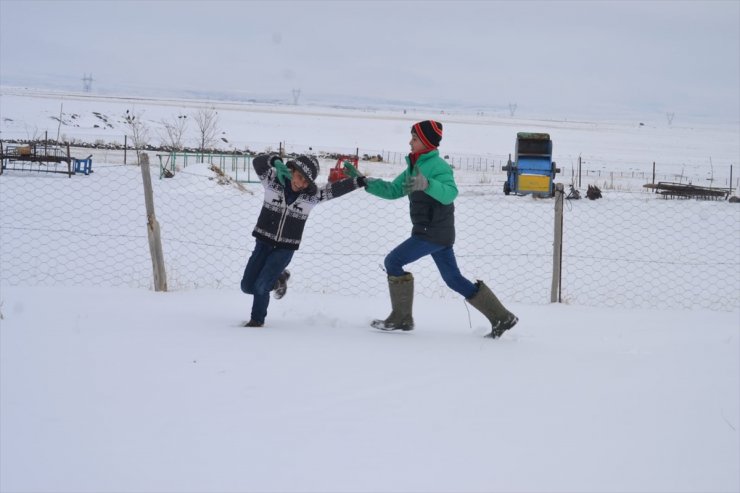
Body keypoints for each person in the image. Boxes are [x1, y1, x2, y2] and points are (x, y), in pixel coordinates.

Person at [344, 120, 518, 338]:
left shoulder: (438, 168)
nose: (410, 142)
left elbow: (450, 193)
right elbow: (392, 190)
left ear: (426, 141)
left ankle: (402, 317)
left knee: (393, 261)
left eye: (414, 138)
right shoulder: (414, 166)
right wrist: (363, 181)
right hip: (434, 233)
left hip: (432, 233)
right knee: (453, 279)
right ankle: (502, 317)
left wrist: (428, 184)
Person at [240, 153, 366, 327]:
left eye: (306, 181)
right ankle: (278, 279)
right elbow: (258, 162)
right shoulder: (272, 180)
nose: (300, 183)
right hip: (263, 243)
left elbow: (334, 190)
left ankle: (256, 322)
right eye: (298, 176)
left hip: (285, 249)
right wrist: (276, 161)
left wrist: (358, 181)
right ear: (290, 169)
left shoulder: (311, 196)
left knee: (261, 287)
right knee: (247, 286)